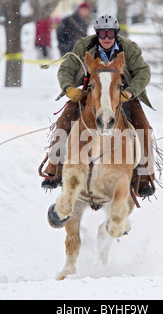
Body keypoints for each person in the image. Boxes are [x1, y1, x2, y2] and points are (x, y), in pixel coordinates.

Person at [41, 14, 155, 198]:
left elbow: (143, 71)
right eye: (102, 34)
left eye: (110, 34)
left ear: (116, 34)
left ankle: (144, 176)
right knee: (64, 121)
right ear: (97, 34)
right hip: (92, 95)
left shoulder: (129, 49)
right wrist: (69, 89)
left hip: (123, 95)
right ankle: (54, 167)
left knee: (144, 126)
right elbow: (66, 69)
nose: (107, 38)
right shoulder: (83, 46)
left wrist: (130, 92)